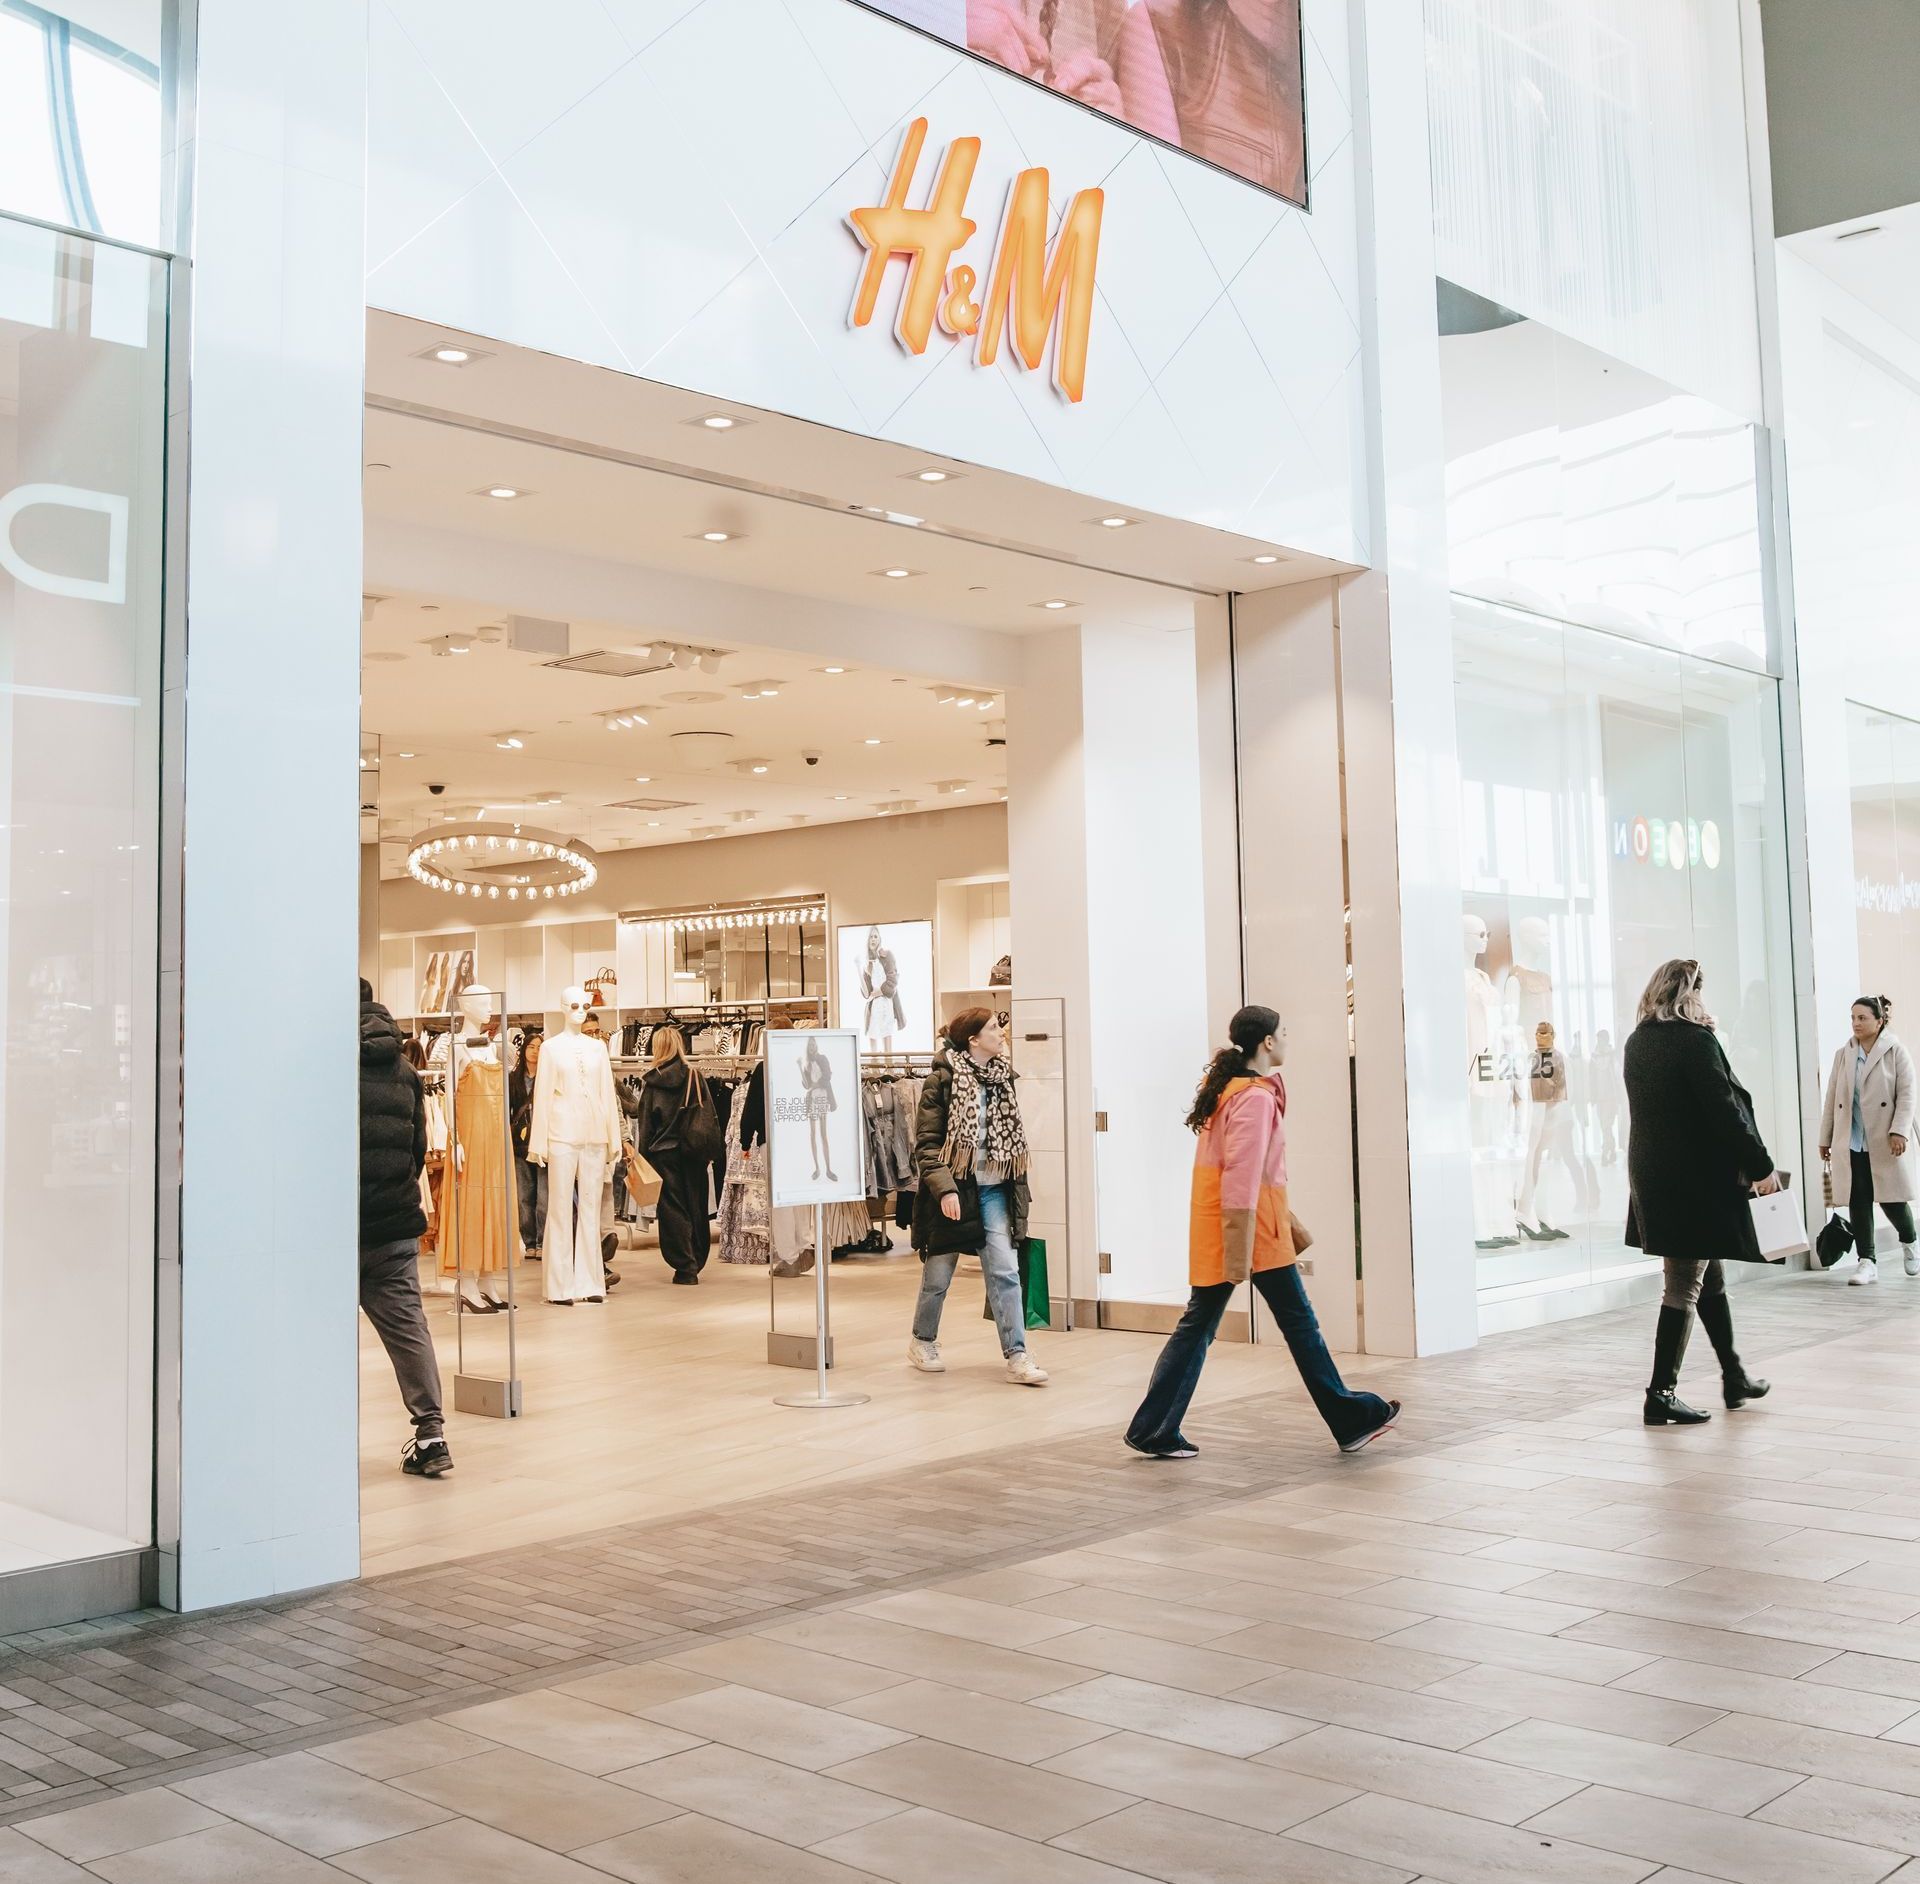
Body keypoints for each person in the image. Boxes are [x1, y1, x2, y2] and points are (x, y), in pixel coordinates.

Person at [1126, 1005, 1398, 1459]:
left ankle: (1153, 1427)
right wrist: (1241, 1250)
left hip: (1235, 1227)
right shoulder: (1252, 1097)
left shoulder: (1233, 1091)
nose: (1288, 1040)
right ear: (1267, 1043)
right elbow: (1242, 1175)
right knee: (1299, 1326)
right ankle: (1348, 1419)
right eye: (1284, 1033)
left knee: (1200, 1327)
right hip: (1252, 1233)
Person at [1624, 959, 1776, 1425]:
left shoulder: (1638, 1041)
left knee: (1708, 1276)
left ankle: (1734, 1376)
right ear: (1689, 994)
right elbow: (1724, 1110)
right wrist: (1761, 1165)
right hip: (1694, 1181)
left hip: (1654, 1176)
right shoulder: (1694, 1040)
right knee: (1684, 1284)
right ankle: (1661, 1394)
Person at [909, 1007, 1048, 1385]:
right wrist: (944, 1188)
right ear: (973, 1039)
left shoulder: (1003, 1078)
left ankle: (1018, 1354)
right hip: (955, 1188)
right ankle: (923, 1339)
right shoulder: (942, 1080)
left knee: (1005, 1271)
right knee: (938, 1274)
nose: (1001, 1034)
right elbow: (927, 1144)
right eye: (993, 1028)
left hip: (995, 1189)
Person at [358, 979, 451, 1478]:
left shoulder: (325, 1066)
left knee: (308, 1334)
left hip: (332, 1229)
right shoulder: (407, 1072)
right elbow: (418, 1151)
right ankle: (431, 1435)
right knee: (409, 1330)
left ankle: (306, 1431)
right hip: (393, 1225)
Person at [1820, 994, 1919, 1283]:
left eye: (1862, 1017)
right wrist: (1825, 1138)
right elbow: (1832, 1099)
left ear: (1880, 1020)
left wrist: (1899, 1130)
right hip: (1851, 1139)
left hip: (1884, 1138)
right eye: (1853, 1017)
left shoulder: (1895, 1051)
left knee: (1892, 1199)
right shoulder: (1844, 1054)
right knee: (1857, 1199)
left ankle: (1910, 1242)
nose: (1856, 1023)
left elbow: (1908, 1094)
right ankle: (1866, 1261)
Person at [637, 1026, 710, 1284]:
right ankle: (697, 1258)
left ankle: (684, 1265)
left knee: (672, 1211)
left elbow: (645, 1126)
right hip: (693, 1153)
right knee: (696, 1206)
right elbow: (709, 1116)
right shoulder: (694, 1076)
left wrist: (642, 1160)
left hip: (664, 1155)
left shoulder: (652, 1083)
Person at [509, 1030, 546, 1262]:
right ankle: (529, 1241)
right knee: (525, 1196)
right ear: (524, 1050)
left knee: (544, 1196)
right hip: (520, 1144)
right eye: (531, 1046)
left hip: (543, 1142)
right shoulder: (513, 1078)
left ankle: (542, 1241)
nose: (535, 1051)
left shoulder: (548, 1076)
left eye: (539, 1047)